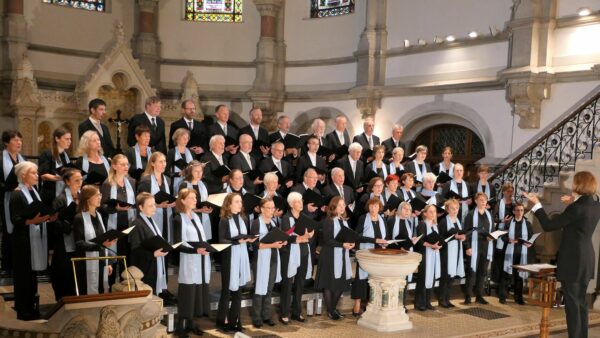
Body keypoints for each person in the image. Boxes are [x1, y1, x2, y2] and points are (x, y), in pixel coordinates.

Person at [524, 171, 600, 338]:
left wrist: (537, 205)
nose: (572, 185)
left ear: (579, 185)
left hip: (573, 261)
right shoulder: (595, 204)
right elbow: (585, 205)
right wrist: (574, 199)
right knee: (581, 304)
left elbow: (549, 225)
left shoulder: (575, 208)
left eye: (575, 182)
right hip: (587, 259)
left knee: (572, 307)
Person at [9, 161, 54, 320]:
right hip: (22, 240)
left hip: (34, 236)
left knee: (32, 275)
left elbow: (38, 210)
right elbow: (15, 219)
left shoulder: (34, 191)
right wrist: (32, 221)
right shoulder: (16, 193)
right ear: (23, 175)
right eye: (33, 173)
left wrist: (48, 217)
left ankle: (32, 306)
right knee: (23, 275)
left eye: (36, 172)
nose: (37, 175)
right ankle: (23, 309)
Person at [173, 188, 211, 337]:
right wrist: (195, 251)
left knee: (197, 293)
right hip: (189, 260)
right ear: (182, 201)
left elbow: (201, 239)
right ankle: (180, 327)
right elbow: (178, 244)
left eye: (195, 197)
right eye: (192, 198)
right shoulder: (178, 218)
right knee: (187, 293)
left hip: (201, 259)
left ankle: (191, 323)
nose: (195, 200)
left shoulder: (196, 216)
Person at [216, 193, 256, 332]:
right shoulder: (224, 220)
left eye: (241, 201)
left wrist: (249, 240)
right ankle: (222, 320)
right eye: (237, 201)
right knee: (227, 291)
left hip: (241, 257)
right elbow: (222, 240)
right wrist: (236, 241)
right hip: (229, 258)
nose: (240, 204)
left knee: (238, 291)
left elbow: (244, 236)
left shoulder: (243, 218)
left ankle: (235, 320)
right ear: (229, 204)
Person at [72, 185, 116, 296]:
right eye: (97, 195)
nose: (100, 197)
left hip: (101, 262)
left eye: (100, 195)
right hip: (86, 264)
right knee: (88, 294)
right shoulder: (79, 218)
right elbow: (79, 243)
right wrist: (99, 246)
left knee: (102, 292)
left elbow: (103, 240)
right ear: (88, 198)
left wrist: (108, 262)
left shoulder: (99, 216)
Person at [316, 196, 354, 320]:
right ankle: (332, 311)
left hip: (342, 254)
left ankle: (332, 309)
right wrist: (342, 244)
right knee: (329, 284)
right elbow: (327, 240)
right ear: (333, 207)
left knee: (340, 284)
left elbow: (347, 236)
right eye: (340, 205)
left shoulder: (344, 221)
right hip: (329, 255)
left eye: (344, 205)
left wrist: (351, 243)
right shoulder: (328, 220)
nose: (343, 207)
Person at [250, 198, 286, 328]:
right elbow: (255, 244)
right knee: (260, 288)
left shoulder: (273, 223)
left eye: (273, 208)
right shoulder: (255, 223)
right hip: (260, 259)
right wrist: (272, 244)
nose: (272, 210)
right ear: (262, 209)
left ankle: (266, 315)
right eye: (269, 208)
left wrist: (282, 242)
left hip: (273, 258)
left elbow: (276, 240)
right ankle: (257, 317)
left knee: (269, 289)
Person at [278, 192, 313, 324]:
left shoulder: (304, 217)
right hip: (290, 253)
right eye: (298, 201)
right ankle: (284, 312)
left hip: (303, 251)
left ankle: (296, 312)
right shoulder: (286, 218)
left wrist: (310, 234)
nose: (301, 203)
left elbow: (309, 233)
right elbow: (286, 236)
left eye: (301, 201)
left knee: (300, 283)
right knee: (287, 284)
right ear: (291, 204)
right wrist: (300, 238)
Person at [100, 154, 136, 279]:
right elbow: (102, 206)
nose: (126, 167)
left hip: (129, 225)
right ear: (114, 166)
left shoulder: (131, 182)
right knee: (114, 257)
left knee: (126, 258)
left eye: (127, 164)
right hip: (113, 225)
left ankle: (125, 284)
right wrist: (116, 208)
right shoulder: (108, 183)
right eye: (122, 164)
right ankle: (110, 287)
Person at [129, 192, 170, 298]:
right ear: (141, 207)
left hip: (153, 265)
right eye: (150, 205)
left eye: (154, 204)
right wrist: (153, 254)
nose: (154, 208)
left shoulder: (150, 220)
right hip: (145, 268)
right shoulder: (137, 223)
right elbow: (135, 249)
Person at [351, 197, 388, 316]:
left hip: (378, 253)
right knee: (360, 278)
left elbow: (385, 236)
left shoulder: (382, 220)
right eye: (371, 206)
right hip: (365, 252)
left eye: (376, 206)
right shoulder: (363, 218)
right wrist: (374, 240)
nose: (373, 209)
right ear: (368, 207)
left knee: (373, 278)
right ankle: (357, 303)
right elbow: (357, 236)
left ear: (379, 208)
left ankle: (369, 303)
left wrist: (384, 242)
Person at [50, 168, 82, 300]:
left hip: (80, 240)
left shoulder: (83, 196)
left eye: (81, 180)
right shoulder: (60, 199)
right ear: (68, 182)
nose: (80, 183)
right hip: (65, 243)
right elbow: (55, 223)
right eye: (76, 180)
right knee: (65, 273)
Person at [1, 130, 25, 275]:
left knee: (19, 229)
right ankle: (6, 265)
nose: (19, 143)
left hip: (20, 199)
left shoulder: (22, 159)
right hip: (5, 198)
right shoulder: (0, 158)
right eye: (15, 140)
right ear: (6, 142)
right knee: (7, 232)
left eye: (20, 140)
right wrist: (10, 187)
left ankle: (18, 262)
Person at [138, 152, 176, 244]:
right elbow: (140, 202)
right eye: (160, 162)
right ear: (152, 163)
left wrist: (172, 203)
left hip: (167, 215)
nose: (164, 164)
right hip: (152, 216)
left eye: (165, 161)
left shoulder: (167, 179)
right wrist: (158, 205)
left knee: (166, 242)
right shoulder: (146, 180)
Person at [463, 192, 494, 305]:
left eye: (485, 200)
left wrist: (492, 237)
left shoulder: (489, 215)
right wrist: (468, 247)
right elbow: (466, 232)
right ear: (476, 201)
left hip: (486, 247)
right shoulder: (471, 215)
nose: (483, 202)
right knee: (472, 272)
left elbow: (493, 231)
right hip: (474, 247)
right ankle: (468, 296)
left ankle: (479, 295)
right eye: (480, 199)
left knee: (482, 273)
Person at [498, 202, 532, 305]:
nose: (519, 212)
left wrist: (529, 243)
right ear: (513, 211)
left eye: (521, 210)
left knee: (519, 276)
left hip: (521, 253)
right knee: (506, 275)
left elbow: (530, 237)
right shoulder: (508, 223)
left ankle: (519, 298)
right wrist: (508, 239)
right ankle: (502, 296)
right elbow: (502, 236)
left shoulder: (527, 224)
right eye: (517, 210)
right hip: (510, 251)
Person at [438, 199, 466, 308]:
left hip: (456, 251)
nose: (455, 211)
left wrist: (462, 237)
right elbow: (441, 238)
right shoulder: (444, 221)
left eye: (456, 208)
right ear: (447, 209)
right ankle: (442, 299)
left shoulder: (458, 221)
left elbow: (460, 233)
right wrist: (454, 237)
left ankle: (447, 299)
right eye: (452, 208)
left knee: (451, 277)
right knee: (445, 277)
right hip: (446, 253)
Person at [414, 204, 442, 311]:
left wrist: (439, 244)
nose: (433, 213)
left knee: (432, 277)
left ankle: (428, 302)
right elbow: (420, 242)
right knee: (423, 278)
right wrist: (432, 245)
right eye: (430, 211)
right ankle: (419, 303)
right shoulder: (422, 224)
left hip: (434, 254)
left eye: (434, 211)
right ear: (425, 214)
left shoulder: (435, 225)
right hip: (425, 254)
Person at [178, 161, 213, 241]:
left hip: (204, 218)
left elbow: (205, 202)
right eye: (196, 171)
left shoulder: (204, 184)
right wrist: (199, 210)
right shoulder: (184, 185)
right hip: (189, 219)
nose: (199, 174)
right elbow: (182, 206)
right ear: (190, 172)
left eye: (200, 171)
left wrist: (208, 209)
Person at [491, 182, 514, 294]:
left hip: (510, 235)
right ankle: (498, 284)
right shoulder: (498, 203)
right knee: (499, 261)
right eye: (508, 191)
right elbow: (494, 218)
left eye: (511, 191)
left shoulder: (514, 205)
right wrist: (502, 221)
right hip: (500, 234)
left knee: (508, 260)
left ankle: (507, 284)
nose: (510, 193)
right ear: (504, 192)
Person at [39, 127, 72, 205]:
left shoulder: (66, 155)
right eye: (66, 139)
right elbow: (43, 175)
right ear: (57, 139)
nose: (69, 142)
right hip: (50, 194)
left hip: (64, 194)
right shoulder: (47, 154)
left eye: (70, 139)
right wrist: (62, 178)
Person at [167, 128, 194, 194]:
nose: (186, 140)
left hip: (189, 182)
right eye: (183, 138)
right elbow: (165, 171)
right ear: (177, 139)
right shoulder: (172, 152)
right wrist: (178, 174)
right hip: (175, 182)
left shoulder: (191, 152)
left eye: (187, 138)